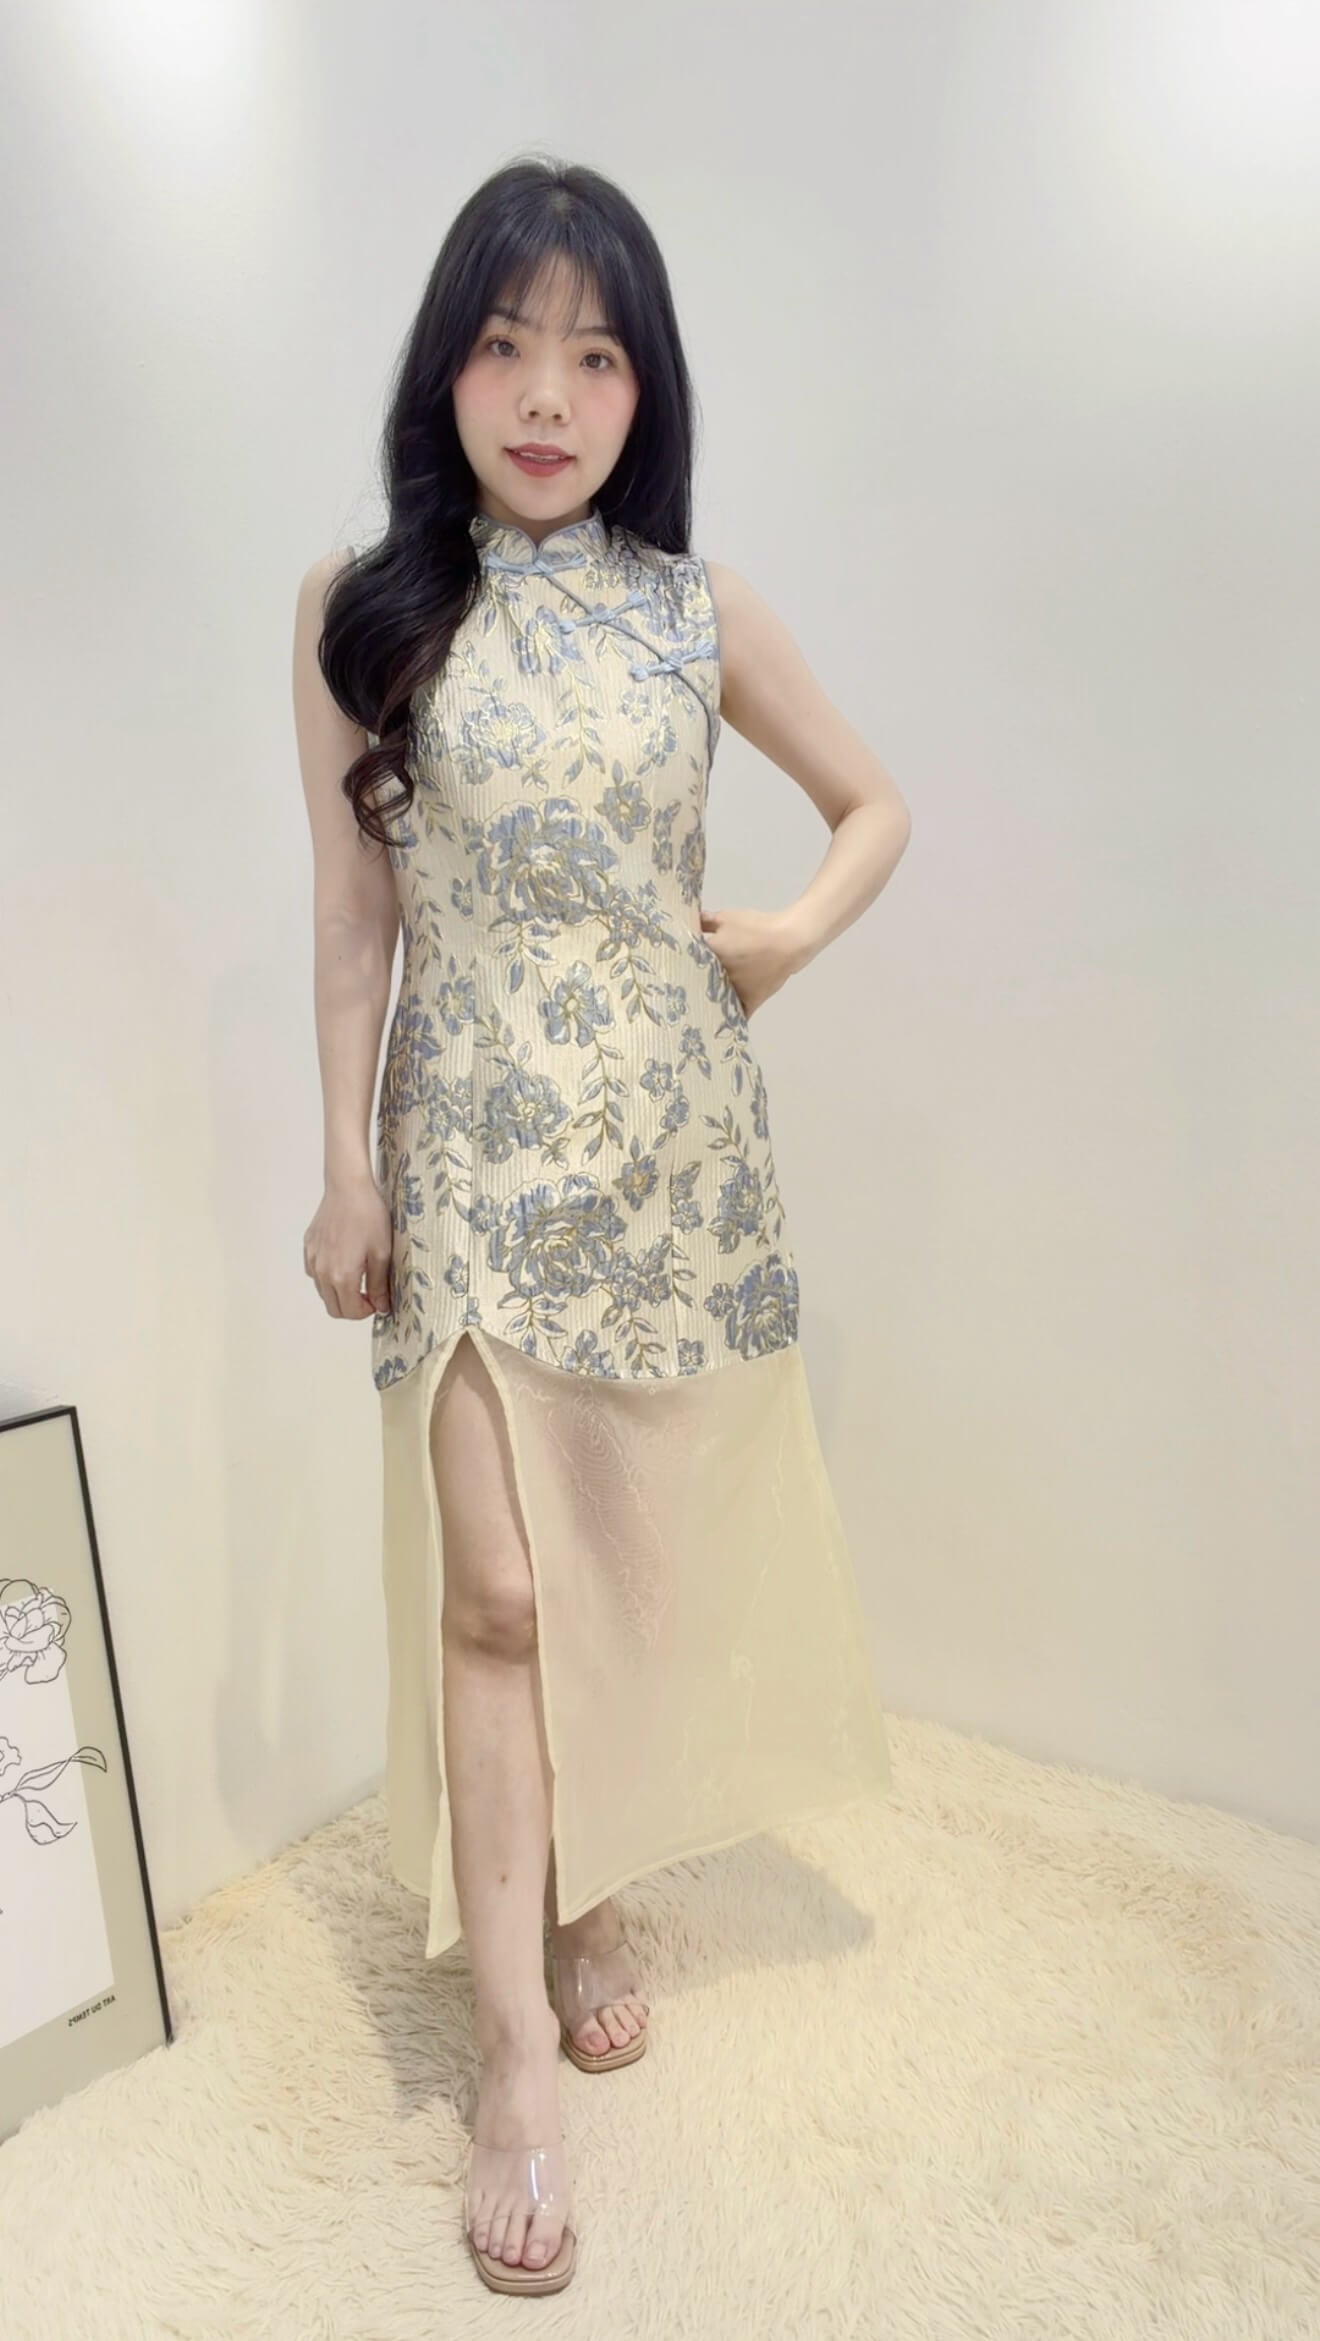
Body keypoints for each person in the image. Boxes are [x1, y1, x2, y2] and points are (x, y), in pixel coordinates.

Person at [291, 155, 911, 2296]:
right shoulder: (364, 610)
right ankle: (515, 2064)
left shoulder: (695, 607)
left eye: (594, 354)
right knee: (493, 1591)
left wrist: (785, 938)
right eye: (504, 343)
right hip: (466, 1151)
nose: (546, 394)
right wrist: (346, 1161)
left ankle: (583, 1881)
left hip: (661, 1164)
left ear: (645, 390)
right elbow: (351, 914)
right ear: (445, 365)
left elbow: (875, 805)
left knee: (617, 1575)